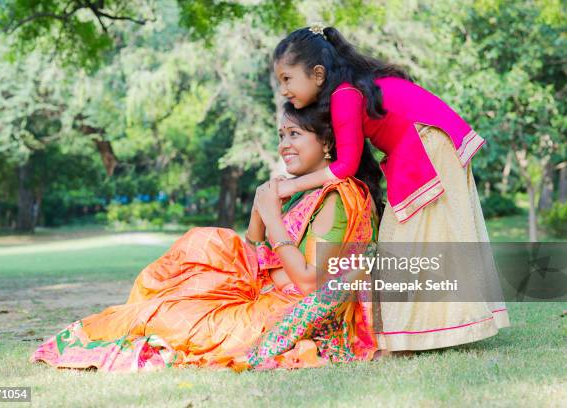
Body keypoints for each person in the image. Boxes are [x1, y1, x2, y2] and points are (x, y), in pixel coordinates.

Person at [30, 102, 382, 373]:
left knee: (168, 319)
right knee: (186, 265)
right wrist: (263, 205)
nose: (284, 145)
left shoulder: (338, 197)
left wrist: (273, 218)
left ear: (327, 144)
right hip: (256, 289)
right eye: (281, 135)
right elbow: (251, 244)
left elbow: (308, 282)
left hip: (282, 308)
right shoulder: (299, 190)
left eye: (295, 135)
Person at [272, 24, 509, 351]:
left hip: (427, 145)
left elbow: (344, 167)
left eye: (287, 78)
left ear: (316, 74)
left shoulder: (345, 96)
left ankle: (411, 335)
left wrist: (291, 186)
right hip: (426, 143)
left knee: (406, 243)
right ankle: (432, 332)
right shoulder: (351, 90)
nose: (283, 89)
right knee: (422, 241)